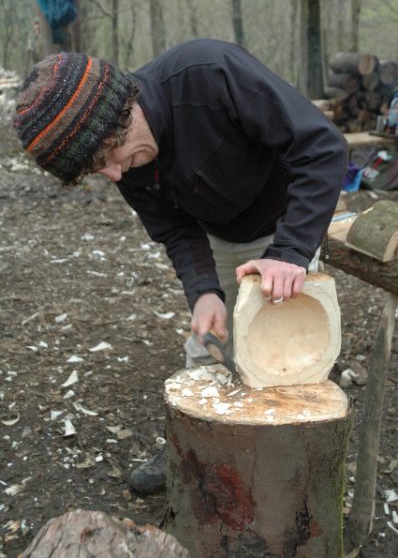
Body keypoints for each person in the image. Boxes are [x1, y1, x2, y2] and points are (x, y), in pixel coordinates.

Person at [14, 39, 347, 495]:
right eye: (97, 169)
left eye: (111, 155)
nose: (113, 175)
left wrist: (290, 251)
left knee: (283, 354)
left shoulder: (210, 74)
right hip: (218, 232)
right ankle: (190, 450)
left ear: (124, 108)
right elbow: (174, 229)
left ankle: (290, 474)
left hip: (288, 222)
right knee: (207, 352)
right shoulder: (122, 157)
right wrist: (204, 290)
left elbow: (322, 148)